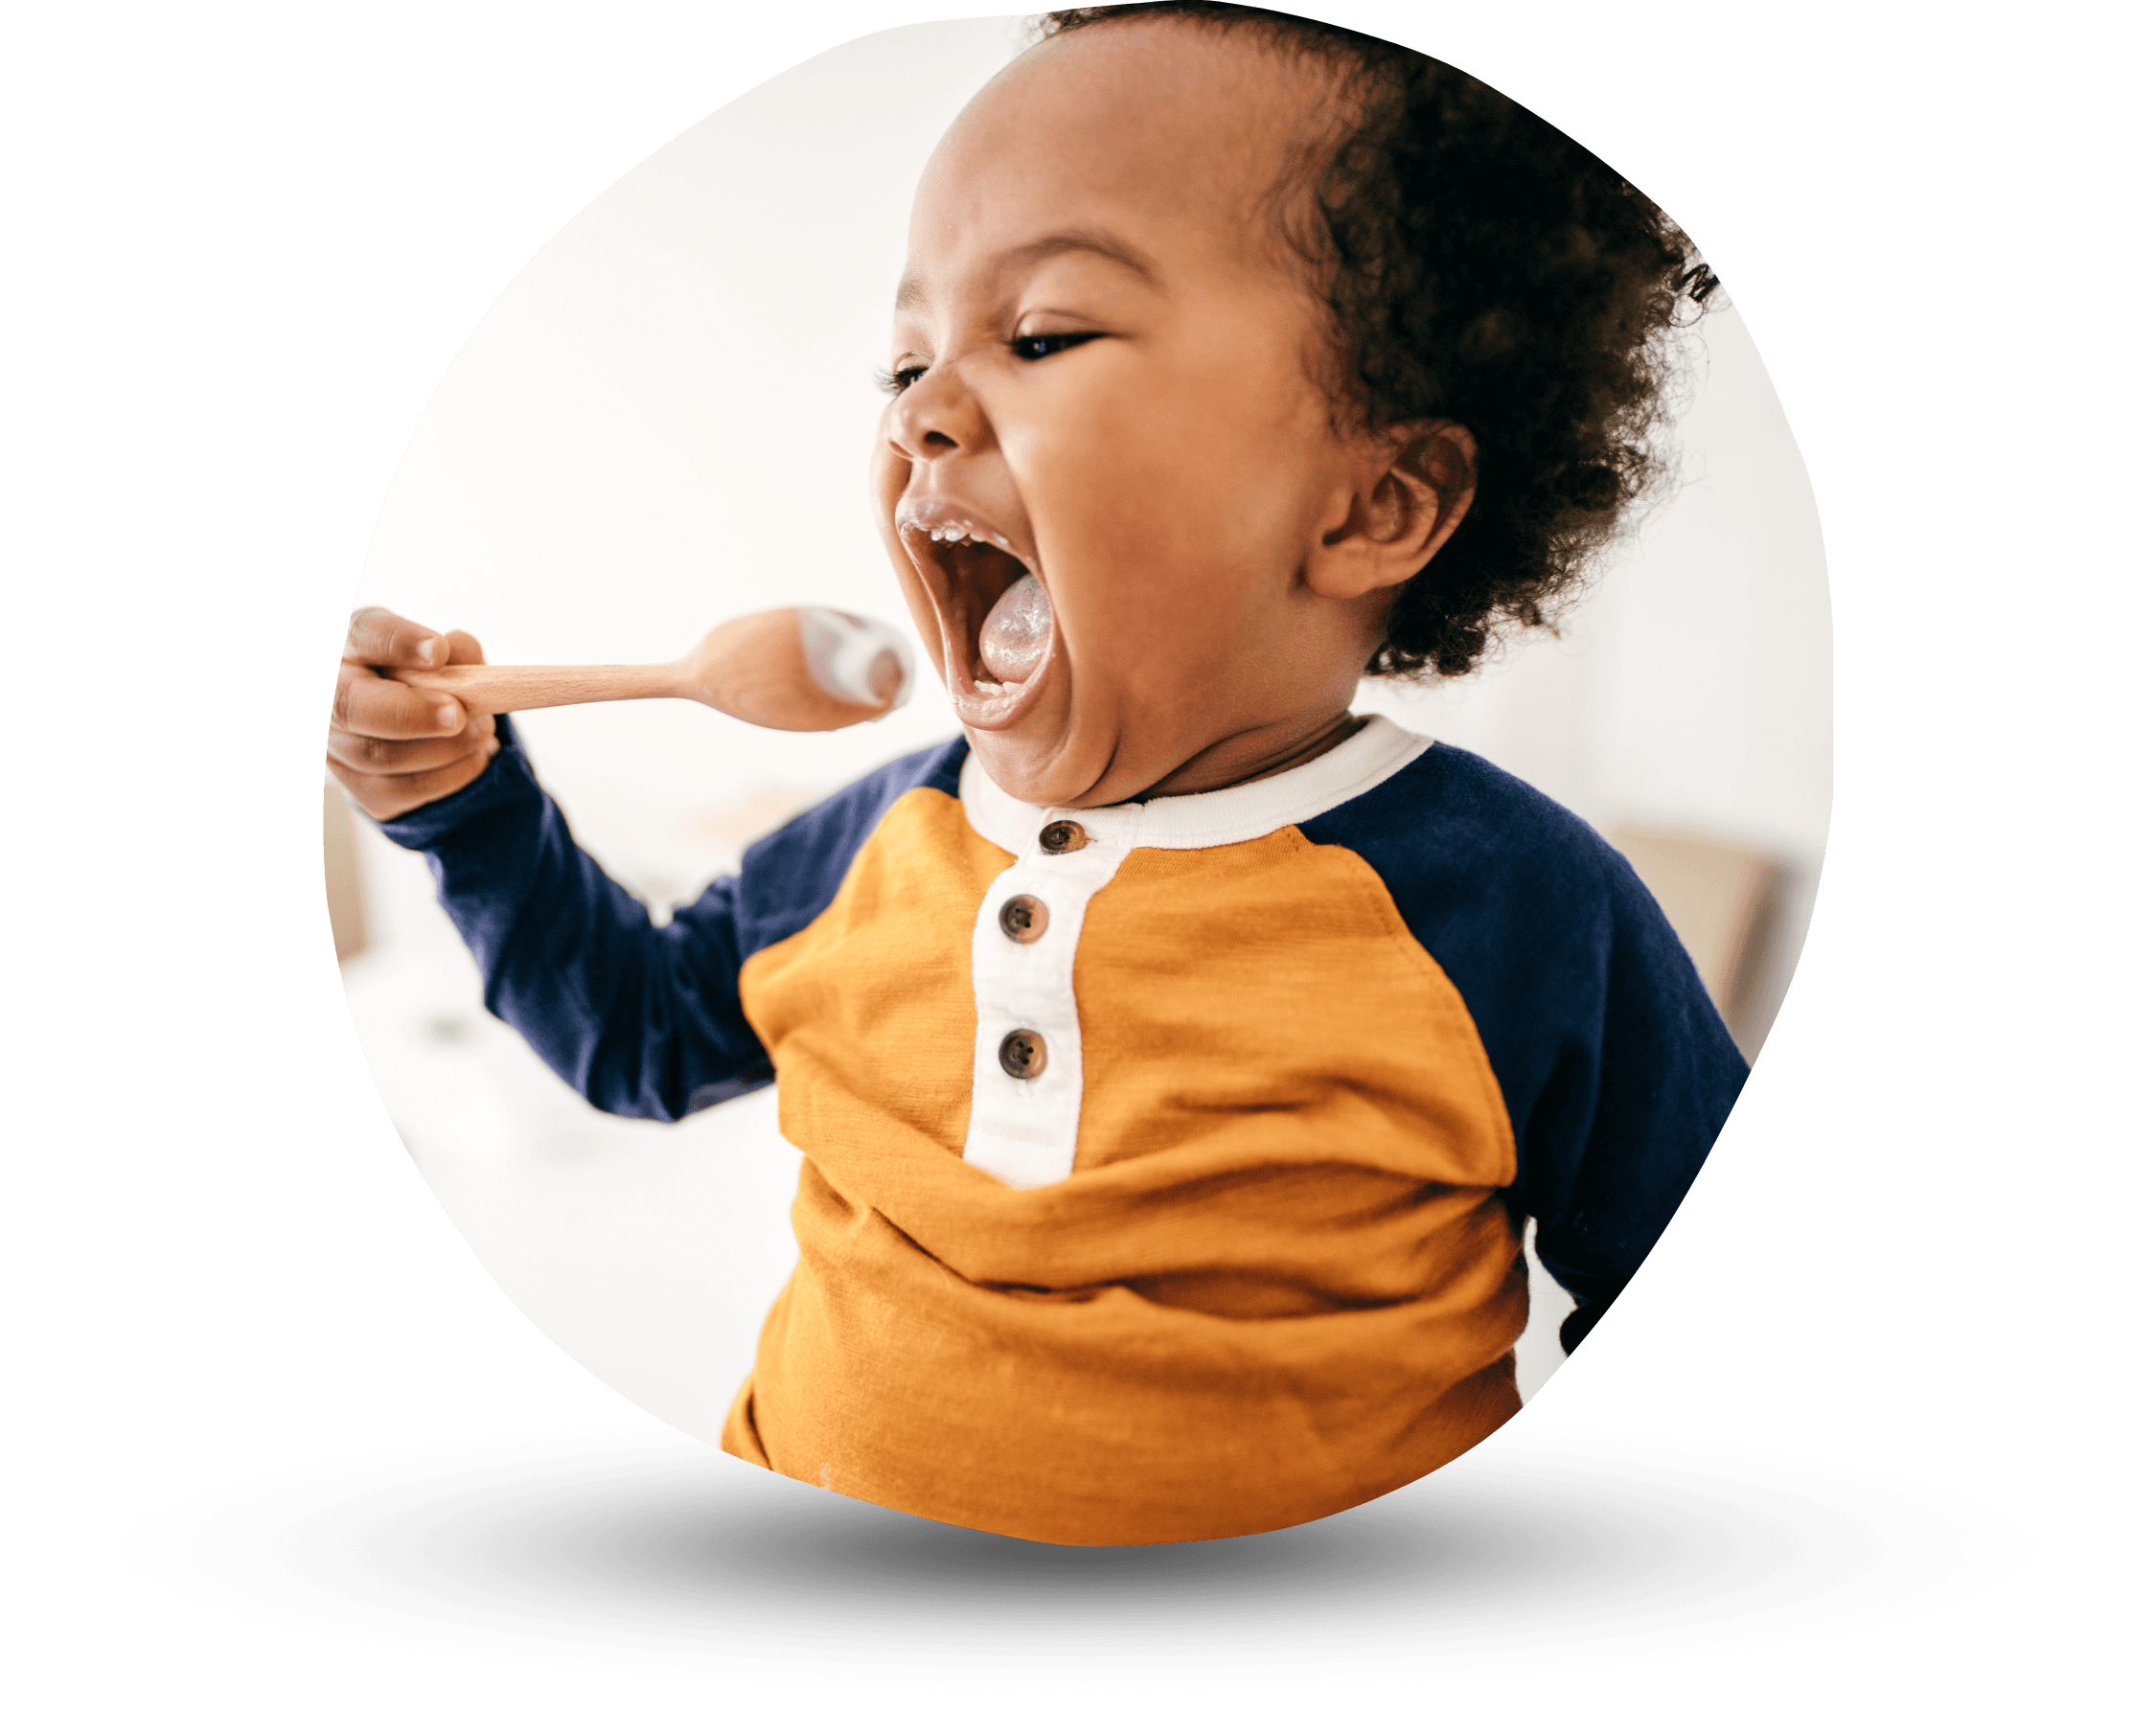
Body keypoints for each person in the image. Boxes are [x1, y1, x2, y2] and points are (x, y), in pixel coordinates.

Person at [326, 2, 1748, 1545]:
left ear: (1373, 503)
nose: (924, 412)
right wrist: (458, 807)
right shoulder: (874, 846)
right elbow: (637, 1039)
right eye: (904, 359)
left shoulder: (1518, 911)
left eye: (1044, 333)